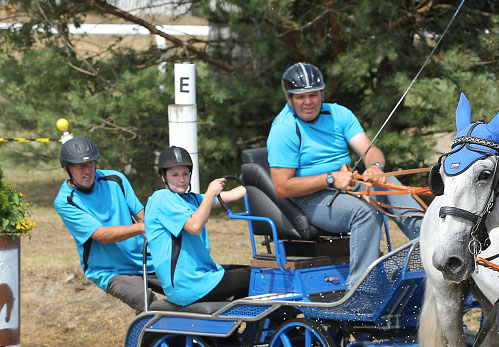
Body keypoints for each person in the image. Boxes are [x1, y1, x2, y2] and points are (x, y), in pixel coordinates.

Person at [266, 62, 421, 290]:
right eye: (300, 97)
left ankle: (435, 253)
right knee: (364, 213)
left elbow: (370, 150)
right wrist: (329, 179)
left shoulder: (339, 114)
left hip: (346, 185)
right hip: (308, 198)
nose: (308, 102)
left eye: (313, 95)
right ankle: (361, 289)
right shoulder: (284, 129)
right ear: (289, 98)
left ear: (322, 94)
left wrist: (375, 167)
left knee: (393, 185)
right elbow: (282, 187)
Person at [54, 137, 159, 313]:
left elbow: (142, 217)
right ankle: (149, 340)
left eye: (91, 165)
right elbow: (102, 235)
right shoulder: (66, 201)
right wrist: (142, 228)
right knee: (147, 302)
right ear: (67, 169)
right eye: (80, 166)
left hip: (143, 258)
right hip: (110, 270)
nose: (87, 171)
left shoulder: (116, 179)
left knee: (185, 287)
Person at [144, 146, 250, 307]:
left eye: (186, 174)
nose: (182, 179)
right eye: (175, 175)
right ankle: (243, 325)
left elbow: (231, 195)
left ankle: (236, 323)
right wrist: (209, 193)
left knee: (252, 272)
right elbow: (195, 226)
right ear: (163, 177)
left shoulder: (190, 199)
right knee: (255, 277)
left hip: (201, 277)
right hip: (188, 285)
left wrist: (260, 179)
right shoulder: (161, 198)